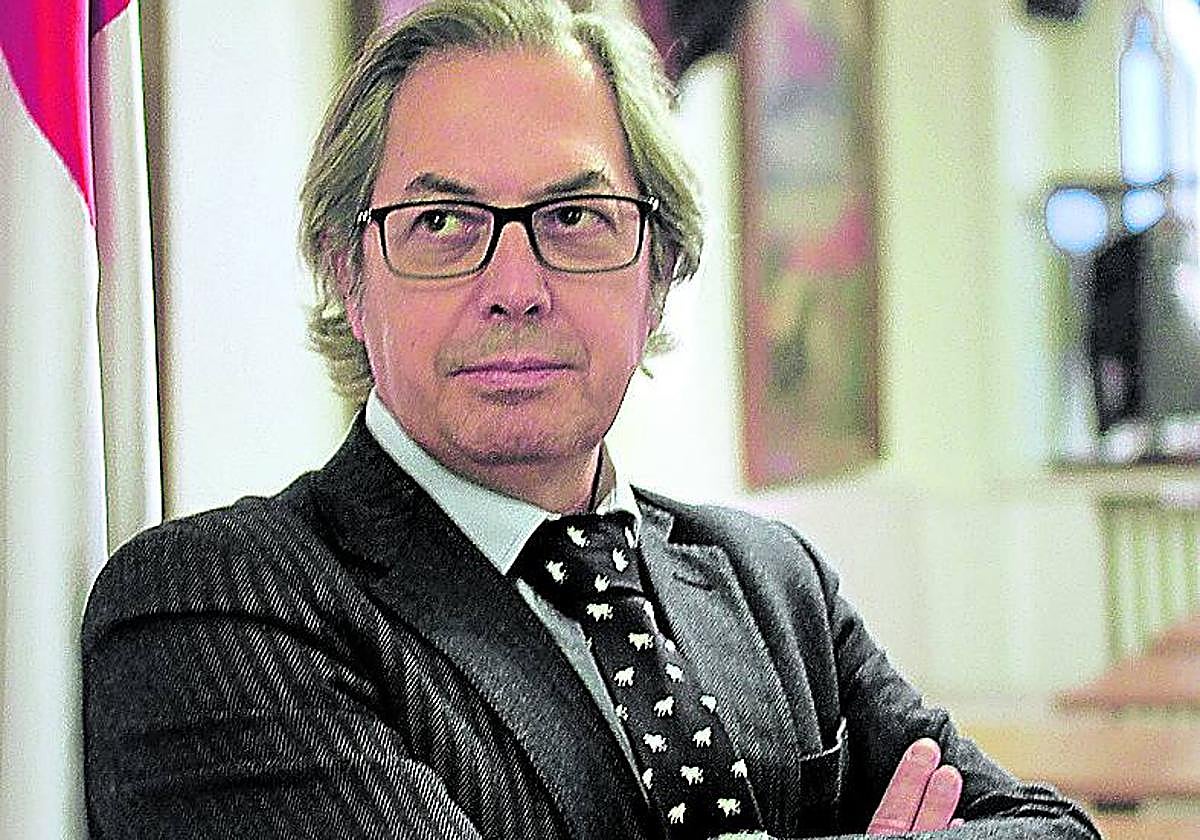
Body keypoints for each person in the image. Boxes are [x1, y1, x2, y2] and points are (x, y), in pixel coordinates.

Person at [81, 1, 1099, 838]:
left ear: (659, 272)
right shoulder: (216, 605)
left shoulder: (771, 583)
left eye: (573, 218)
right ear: (349, 275)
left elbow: (1051, 829)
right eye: (442, 223)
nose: (515, 288)